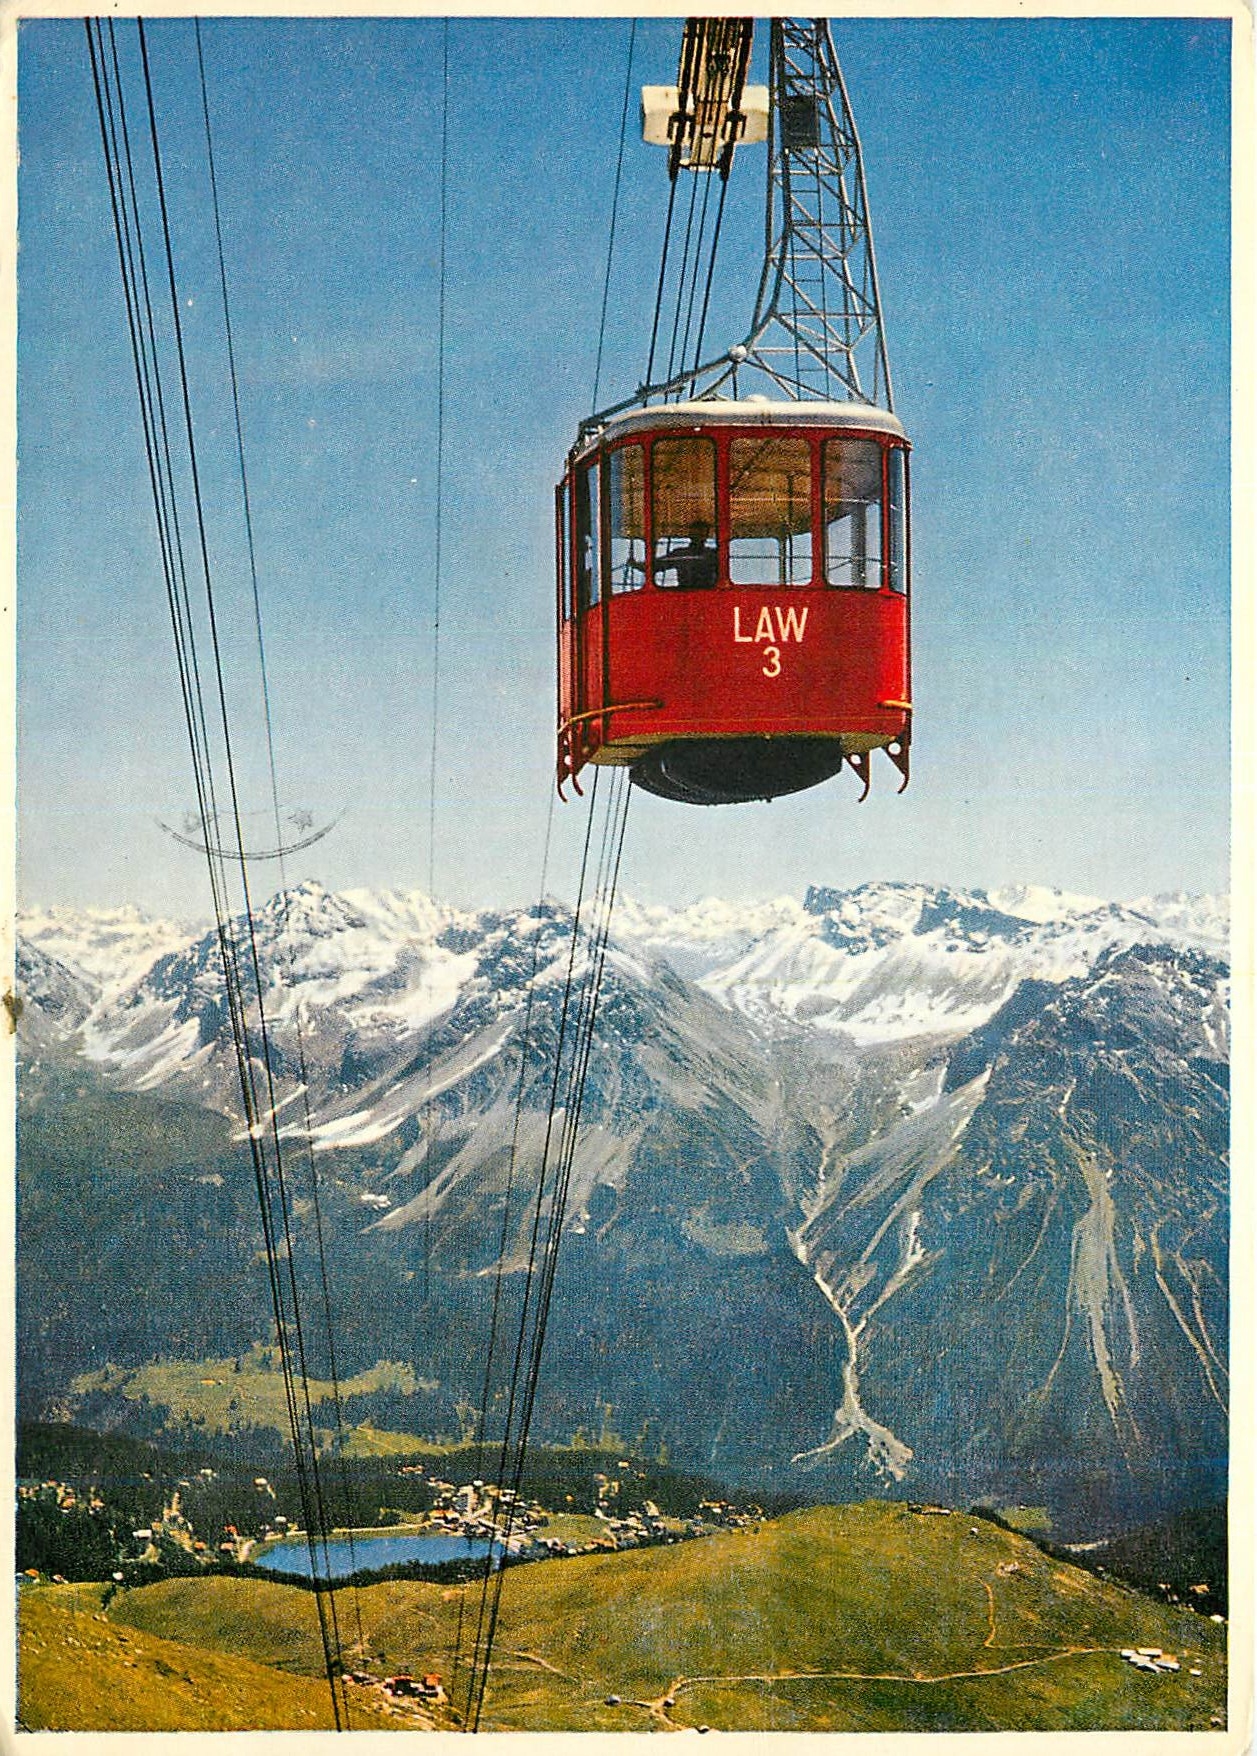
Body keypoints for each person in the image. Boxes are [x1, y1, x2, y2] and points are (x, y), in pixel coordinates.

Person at [656, 519, 718, 589]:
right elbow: (657, 566)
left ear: (706, 536)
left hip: (709, 593)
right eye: (695, 534)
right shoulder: (680, 554)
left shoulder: (713, 554)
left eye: (701, 534)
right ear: (690, 535)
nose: (698, 538)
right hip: (684, 592)